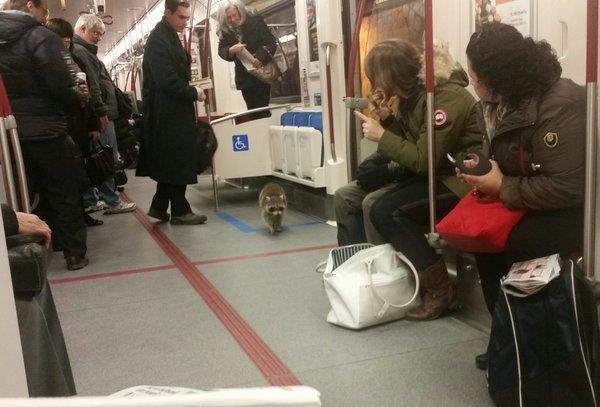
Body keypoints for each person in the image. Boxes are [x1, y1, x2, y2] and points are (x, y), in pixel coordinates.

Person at [460, 22, 585, 369]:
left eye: (476, 75)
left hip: (576, 208)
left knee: (515, 245)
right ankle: (508, 334)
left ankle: (530, 344)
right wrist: (484, 169)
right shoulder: (503, 103)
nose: (472, 82)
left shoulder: (561, 104)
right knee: (482, 241)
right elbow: (512, 159)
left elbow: (568, 186)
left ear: (499, 76)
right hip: (531, 198)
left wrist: (501, 186)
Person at [350, 40, 482, 321]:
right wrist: (388, 121)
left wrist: (381, 136)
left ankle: (440, 290)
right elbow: (414, 145)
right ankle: (370, 274)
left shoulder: (445, 98)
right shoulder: (415, 97)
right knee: (361, 196)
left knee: (386, 210)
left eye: (376, 78)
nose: (374, 85)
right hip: (438, 175)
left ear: (389, 76)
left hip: (460, 181)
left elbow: (424, 159)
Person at [0, 0, 90, 270]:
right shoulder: (41, 37)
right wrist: (78, 96)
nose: (45, 16)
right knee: (62, 191)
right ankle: (73, 252)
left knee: (20, 195)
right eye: (44, 10)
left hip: (7, 135)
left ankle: (27, 256)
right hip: (47, 130)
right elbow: (60, 84)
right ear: (31, 5)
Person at [136, 0, 207, 225]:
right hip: (167, 113)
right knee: (177, 160)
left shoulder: (167, 35)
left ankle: (159, 207)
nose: (185, 22)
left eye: (187, 17)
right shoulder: (159, 40)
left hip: (173, 110)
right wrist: (193, 91)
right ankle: (180, 210)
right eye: (181, 17)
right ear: (168, 13)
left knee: (172, 161)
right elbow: (166, 80)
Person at [72, 13, 136, 215]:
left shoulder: (84, 51)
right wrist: (101, 113)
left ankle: (91, 199)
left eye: (101, 33)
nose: (99, 37)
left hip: (101, 112)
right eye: (95, 32)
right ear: (82, 30)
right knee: (105, 158)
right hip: (102, 114)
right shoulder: (82, 52)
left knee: (95, 157)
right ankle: (113, 201)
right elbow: (94, 86)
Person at [46, 17, 105, 227]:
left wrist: (93, 124)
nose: (65, 45)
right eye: (61, 40)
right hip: (62, 128)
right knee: (67, 178)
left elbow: (88, 93)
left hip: (78, 126)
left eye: (68, 41)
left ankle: (81, 212)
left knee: (79, 173)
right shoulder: (48, 65)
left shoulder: (74, 60)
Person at [217, 0, 277, 118]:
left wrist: (260, 58)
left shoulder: (255, 20)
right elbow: (221, 50)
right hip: (244, 76)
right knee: (251, 110)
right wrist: (231, 50)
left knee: (262, 109)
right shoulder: (225, 30)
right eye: (229, 17)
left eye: (234, 15)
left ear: (240, 11)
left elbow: (270, 42)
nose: (233, 19)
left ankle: (263, 133)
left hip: (261, 71)